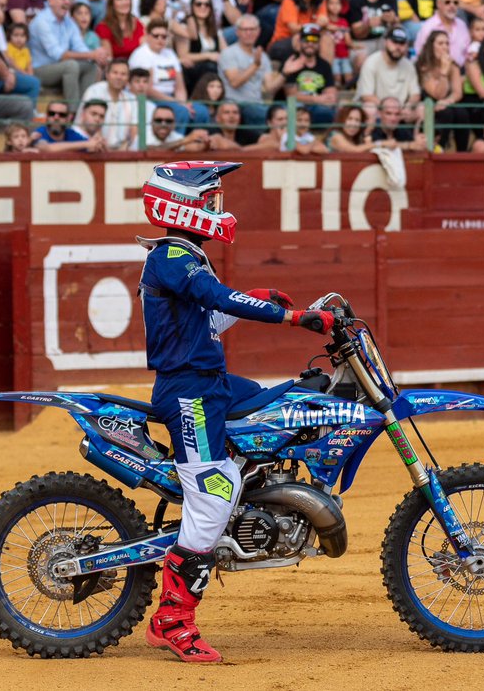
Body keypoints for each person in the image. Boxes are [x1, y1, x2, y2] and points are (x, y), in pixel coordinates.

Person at [137, 160, 332, 662]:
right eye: (210, 199)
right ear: (183, 204)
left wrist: (258, 298)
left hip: (210, 384)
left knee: (275, 406)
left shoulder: (186, 256)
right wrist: (292, 316)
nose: (217, 208)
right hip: (189, 393)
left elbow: (206, 319)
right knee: (212, 495)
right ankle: (172, 620)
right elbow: (218, 298)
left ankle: (256, 497)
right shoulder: (172, 256)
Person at [31, 0, 107, 105]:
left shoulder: (68, 21)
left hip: (60, 67)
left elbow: (79, 46)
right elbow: (59, 55)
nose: (67, 2)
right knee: (71, 65)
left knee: (91, 66)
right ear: (50, 1)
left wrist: (97, 56)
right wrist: (91, 54)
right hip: (39, 70)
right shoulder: (42, 21)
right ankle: (73, 110)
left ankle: (85, 107)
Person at [219, 14, 284, 131]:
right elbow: (234, 82)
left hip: (258, 105)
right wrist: (255, 65)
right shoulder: (229, 53)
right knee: (268, 116)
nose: (249, 33)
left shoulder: (263, 56)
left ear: (258, 31)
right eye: (245, 30)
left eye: (252, 29)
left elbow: (270, 88)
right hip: (237, 105)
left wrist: (285, 73)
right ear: (237, 32)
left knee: (287, 112)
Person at [416, 29, 469, 151]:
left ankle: (462, 153)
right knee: (446, 113)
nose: (445, 47)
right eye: (440, 43)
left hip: (446, 103)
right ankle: (440, 148)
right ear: (431, 46)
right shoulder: (423, 66)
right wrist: (444, 72)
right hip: (429, 104)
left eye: (447, 43)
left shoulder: (453, 65)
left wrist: (447, 101)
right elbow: (437, 94)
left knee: (462, 113)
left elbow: (457, 92)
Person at [356, 27, 421, 124]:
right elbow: (366, 95)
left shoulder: (408, 65)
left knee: (422, 109)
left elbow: (415, 94)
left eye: (402, 44)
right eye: (394, 42)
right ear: (385, 42)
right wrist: (389, 108)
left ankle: (418, 134)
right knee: (370, 108)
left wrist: (408, 106)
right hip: (379, 109)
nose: (398, 47)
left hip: (401, 110)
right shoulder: (371, 62)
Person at [278, 23, 337, 127]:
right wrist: (316, 99)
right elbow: (292, 96)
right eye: (306, 40)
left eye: (314, 40)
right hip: (295, 107)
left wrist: (326, 99)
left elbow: (331, 94)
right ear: (300, 42)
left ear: (319, 43)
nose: (310, 43)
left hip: (317, 108)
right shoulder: (291, 62)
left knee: (332, 112)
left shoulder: (325, 65)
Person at [177, 0, 228, 91]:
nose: (203, 7)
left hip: (213, 70)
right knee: (210, 67)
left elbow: (226, 52)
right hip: (193, 71)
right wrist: (208, 55)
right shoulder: (184, 27)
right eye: (198, 4)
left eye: (207, 4)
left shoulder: (215, 29)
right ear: (192, 7)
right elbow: (183, 55)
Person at [413, 0, 471, 67]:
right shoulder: (429, 26)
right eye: (447, 2)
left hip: (461, 70)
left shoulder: (462, 25)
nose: (452, 5)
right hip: (435, 70)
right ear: (438, 4)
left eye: (455, 3)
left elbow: (467, 52)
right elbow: (420, 53)